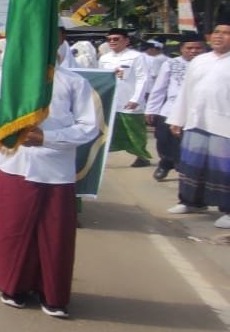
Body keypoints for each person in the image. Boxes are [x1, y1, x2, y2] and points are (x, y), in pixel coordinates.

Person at [0, 38, 100, 319]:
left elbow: (90, 127)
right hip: (15, 163)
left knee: (54, 234)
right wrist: (12, 69)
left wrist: (49, 137)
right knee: (13, 229)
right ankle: (14, 286)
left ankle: (53, 294)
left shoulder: (74, 82)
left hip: (55, 169)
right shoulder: (13, 74)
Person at [165, 20, 230, 229]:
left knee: (223, 170)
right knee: (192, 165)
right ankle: (191, 202)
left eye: (226, 33)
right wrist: (177, 118)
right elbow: (186, 91)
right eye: (216, 32)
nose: (219, 36)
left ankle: (227, 210)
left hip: (224, 125)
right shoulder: (200, 60)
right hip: (196, 121)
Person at [146, 33, 205, 181]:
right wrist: (151, 109)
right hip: (170, 110)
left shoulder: (209, 64)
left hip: (197, 112)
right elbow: (159, 88)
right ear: (181, 49)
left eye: (198, 48)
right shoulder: (170, 64)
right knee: (164, 140)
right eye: (189, 48)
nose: (193, 51)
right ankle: (165, 163)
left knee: (188, 144)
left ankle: (184, 169)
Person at [98, 27, 152, 168]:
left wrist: (136, 99)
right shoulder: (104, 58)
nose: (112, 42)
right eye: (109, 39)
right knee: (107, 129)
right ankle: (101, 157)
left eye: (116, 39)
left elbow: (143, 78)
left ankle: (141, 156)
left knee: (134, 130)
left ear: (126, 41)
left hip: (130, 100)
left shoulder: (136, 56)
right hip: (111, 100)